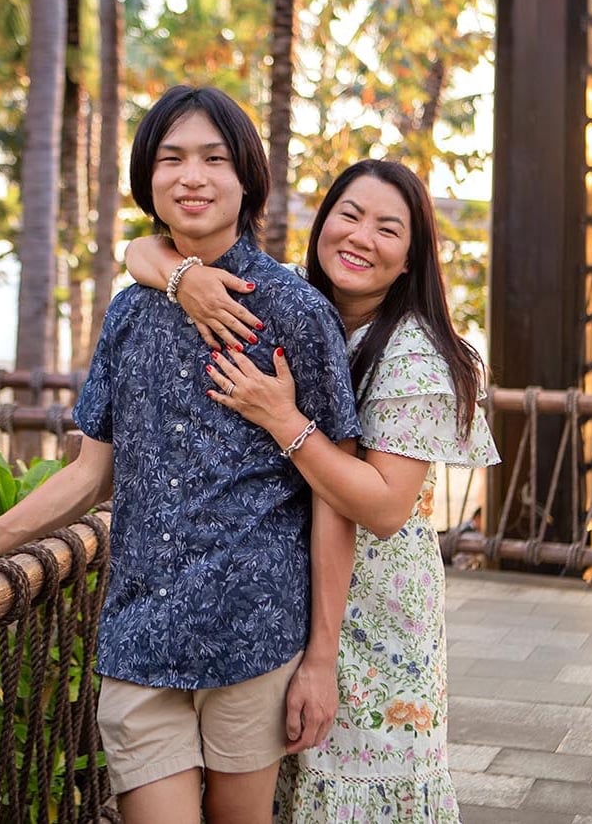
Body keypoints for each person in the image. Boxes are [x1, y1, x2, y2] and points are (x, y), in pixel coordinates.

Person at [0, 85, 363, 824]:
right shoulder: (129, 309)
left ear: (247, 180)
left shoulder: (295, 309)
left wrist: (320, 661)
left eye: (213, 159)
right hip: (139, 634)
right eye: (171, 159)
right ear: (148, 179)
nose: (191, 177)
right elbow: (88, 473)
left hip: (254, 634)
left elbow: (336, 495)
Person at [124, 158, 501, 822]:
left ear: (412, 258)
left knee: (356, 797)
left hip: (371, 621)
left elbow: (384, 506)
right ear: (321, 223)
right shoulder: (290, 299)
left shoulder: (418, 357)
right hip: (284, 606)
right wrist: (182, 278)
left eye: (388, 229)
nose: (361, 238)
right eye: (348, 216)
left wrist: (283, 418)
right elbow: (145, 248)